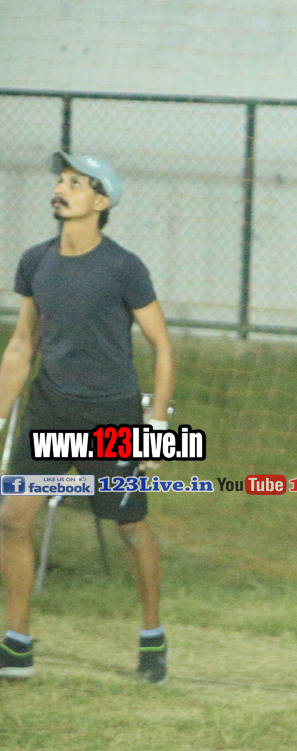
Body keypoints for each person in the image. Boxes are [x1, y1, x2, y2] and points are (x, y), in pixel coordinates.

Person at [0, 152, 175, 683]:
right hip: (50, 412)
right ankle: (17, 645)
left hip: (111, 420)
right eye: (61, 180)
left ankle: (152, 639)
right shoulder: (36, 261)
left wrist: (157, 425)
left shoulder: (123, 267)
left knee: (130, 527)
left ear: (102, 201)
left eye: (76, 183)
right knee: (11, 519)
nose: (62, 188)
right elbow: (21, 346)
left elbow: (163, 347)